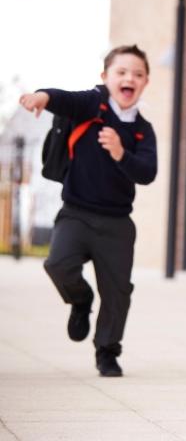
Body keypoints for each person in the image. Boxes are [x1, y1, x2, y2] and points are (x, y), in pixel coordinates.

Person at [19, 45, 157, 378]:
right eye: (121, 72)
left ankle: (107, 352)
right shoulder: (91, 105)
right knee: (58, 264)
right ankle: (81, 301)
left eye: (137, 74)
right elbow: (62, 98)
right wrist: (42, 97)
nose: (129, 79)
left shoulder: (143, 129)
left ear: (146, 82)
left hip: (117, 223)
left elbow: (148, 173)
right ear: (105, 77)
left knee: (118, 292)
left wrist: (121, 153)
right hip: (76, 213)